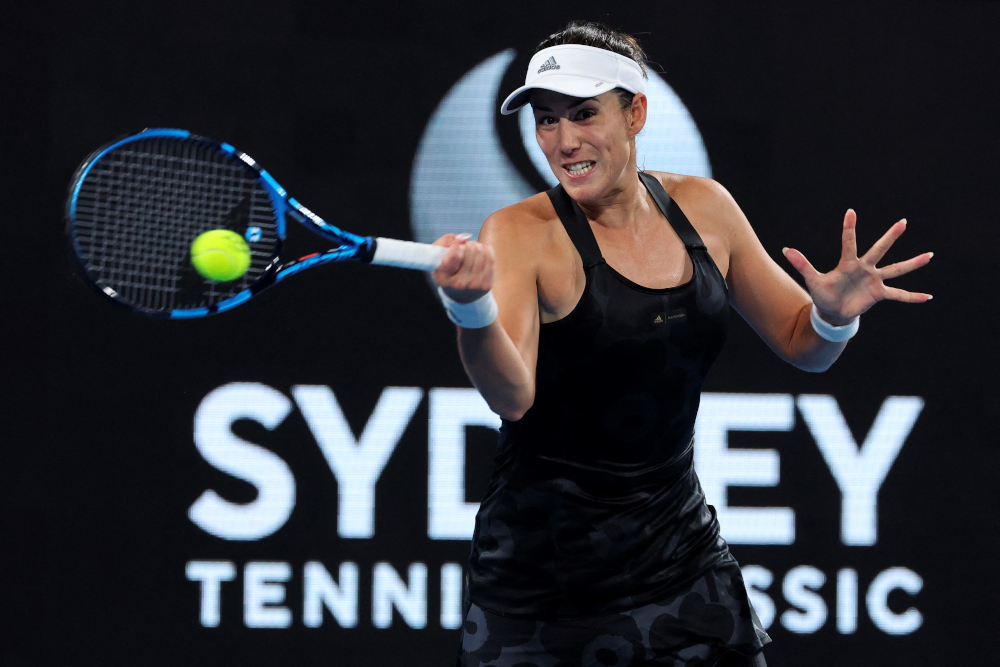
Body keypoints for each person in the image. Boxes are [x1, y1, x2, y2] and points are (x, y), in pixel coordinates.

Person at [432, 21, 932, 667]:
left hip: (683, 565)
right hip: (541, 591)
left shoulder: (705, 208)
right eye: (546, 119)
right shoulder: (518, 230)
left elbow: (801, 341)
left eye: (584, 114)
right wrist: (471, 310)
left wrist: (833, 316)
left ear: (635, 112)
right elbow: (513, 395)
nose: (563, 141)